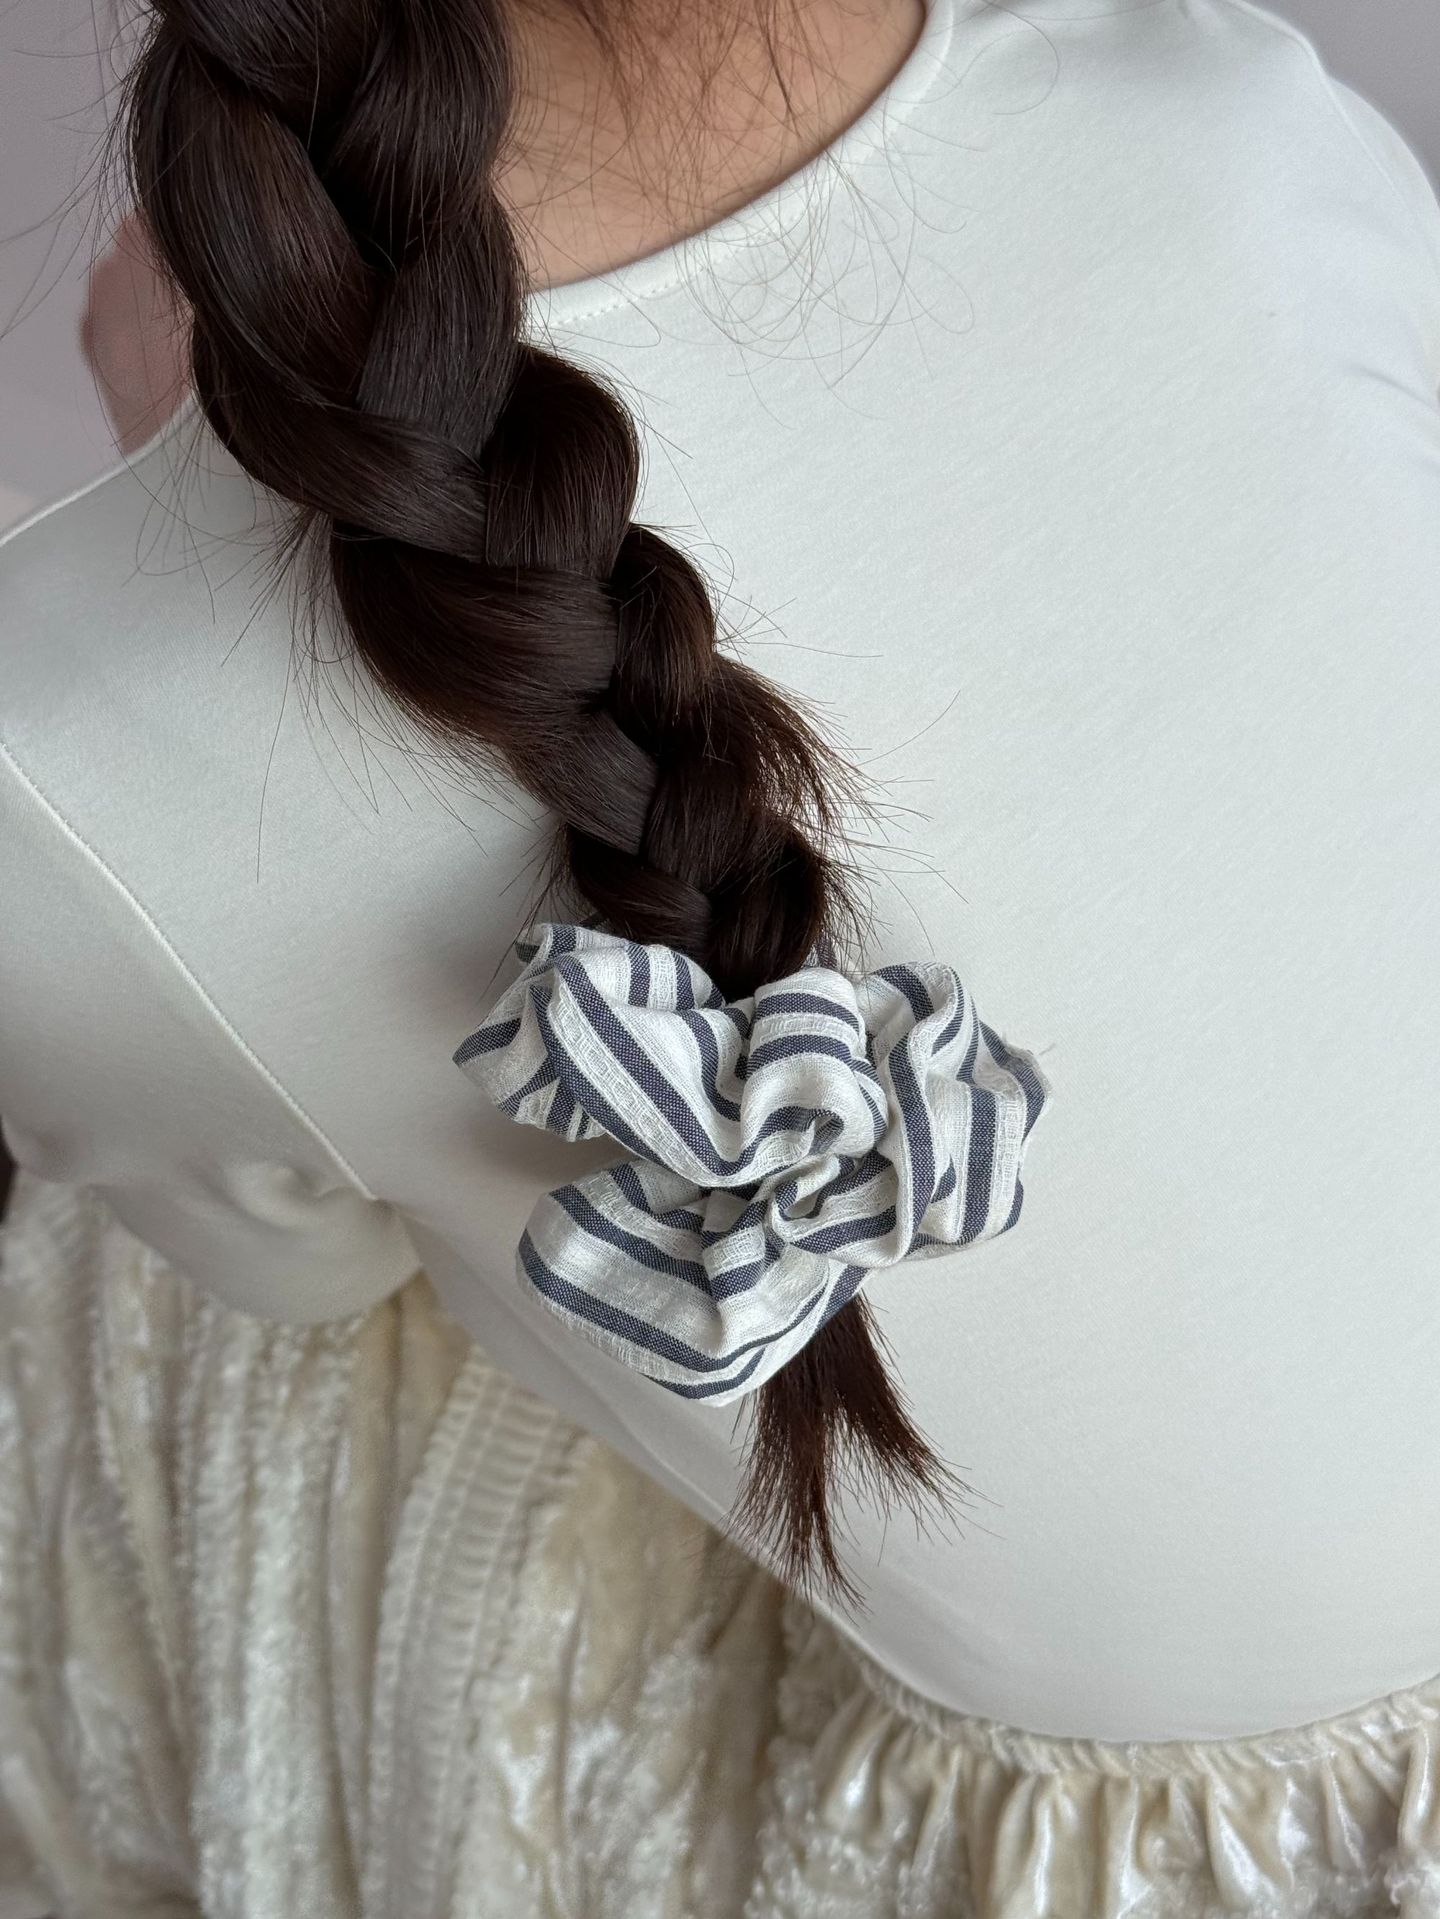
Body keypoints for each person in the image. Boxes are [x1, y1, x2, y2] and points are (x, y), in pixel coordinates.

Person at [2, 0, 1440, 1910]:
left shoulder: (59, 745)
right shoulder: (1221, 103)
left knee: (179, 1273)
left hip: (1192, 1845)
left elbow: (288, 1279)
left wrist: (158, 476)